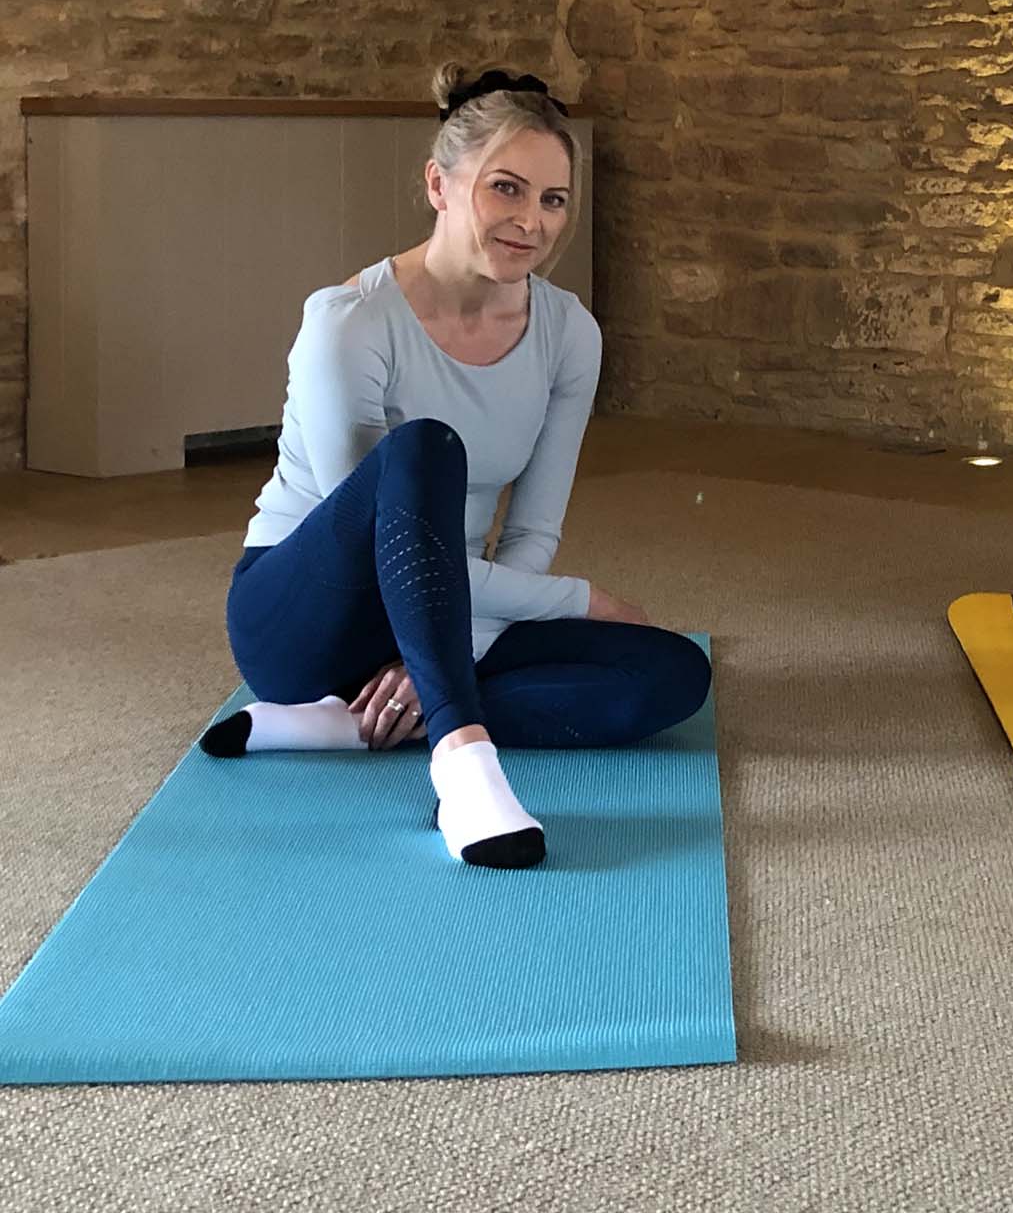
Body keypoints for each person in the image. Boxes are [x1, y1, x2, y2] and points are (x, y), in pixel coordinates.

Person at [201, 64, 711, 869]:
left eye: (554, 200)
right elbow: (377, 552)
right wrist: (583, 599)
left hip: (449, 613)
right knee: (425, 448)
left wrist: (452, 644)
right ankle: (463, 763)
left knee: (671, 674)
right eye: (506, 189)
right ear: (439, 185)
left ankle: (353, 722)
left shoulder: (569, 334)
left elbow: (533, 530)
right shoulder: (350, 323)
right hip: (307, 618)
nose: (532, 222)